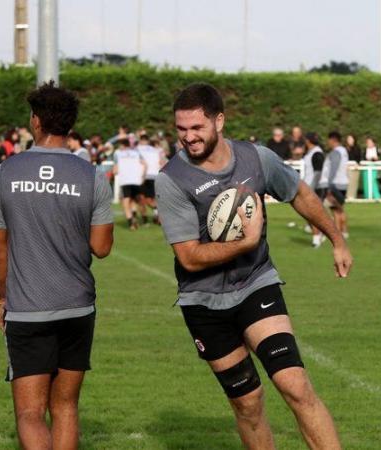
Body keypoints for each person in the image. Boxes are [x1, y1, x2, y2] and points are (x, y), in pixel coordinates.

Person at [155, 83, 352, 449]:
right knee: (248, 403)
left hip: (255, 284)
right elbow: (189, 256)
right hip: (204, 302)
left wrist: (337, 239)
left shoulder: (256, 159)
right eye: (181, 129)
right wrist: (245, 242)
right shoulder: (171, 180)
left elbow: (300, 194)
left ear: (220, 121)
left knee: (295, 385)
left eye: (197, 128)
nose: (188, 138)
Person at [0, 81, 114, 450]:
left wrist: (0, 298)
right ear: (70, 126)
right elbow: (102, 248)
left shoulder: (4, 173)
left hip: (26, 308)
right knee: (66, 407)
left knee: (29, 413)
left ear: (36, 121)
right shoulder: (92, 176)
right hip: (77, 305)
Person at [320, 132, 350, 240]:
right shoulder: (343, 151)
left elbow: (333, 168)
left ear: (333, 140)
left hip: (336, 183)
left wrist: (329, 185)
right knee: (339, 209)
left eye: (329, 140)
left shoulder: (336, 152)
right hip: (343, 183)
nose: (328, 143)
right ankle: (343, 232)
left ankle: (338, 233)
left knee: (335, 209)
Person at [113, 136, 146, 230]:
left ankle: (131, 223)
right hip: (136, 180)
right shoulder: (136, 153)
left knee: (126, 201)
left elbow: (115, 170)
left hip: (126, 180)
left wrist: (116, 171)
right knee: (134, 199)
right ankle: (136, 217)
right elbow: (144, 164)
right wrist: (143, 176)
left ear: (122, 145)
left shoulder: (118, 154)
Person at [302, 132, 325, 247]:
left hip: (315, 186)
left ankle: (316, 239)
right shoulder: (310, 152)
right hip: (308, 185)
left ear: (308, 140)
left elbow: (318, 173)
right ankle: (320, 234)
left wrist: (312, 187)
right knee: (307, 213)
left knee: (313, 213)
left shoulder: (317, 153)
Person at [137, 133, 166, 224]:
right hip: (156, 175)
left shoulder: (137, 149)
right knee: (151, 198)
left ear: (141, 140)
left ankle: (155, 215)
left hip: (144, 176)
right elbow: (162, 162)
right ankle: (155, 216)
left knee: (142, 199)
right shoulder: (155, 150)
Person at [345, 134, 362, 200]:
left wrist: (357, 164)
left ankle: (352, 196)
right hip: (346, 168)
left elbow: (359, 158)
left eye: (351, 139)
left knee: (353, 182)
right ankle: (346, 196)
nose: (350, 140)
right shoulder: (345, 148)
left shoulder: (357, 148)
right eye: (348, 139)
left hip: (354, 168)